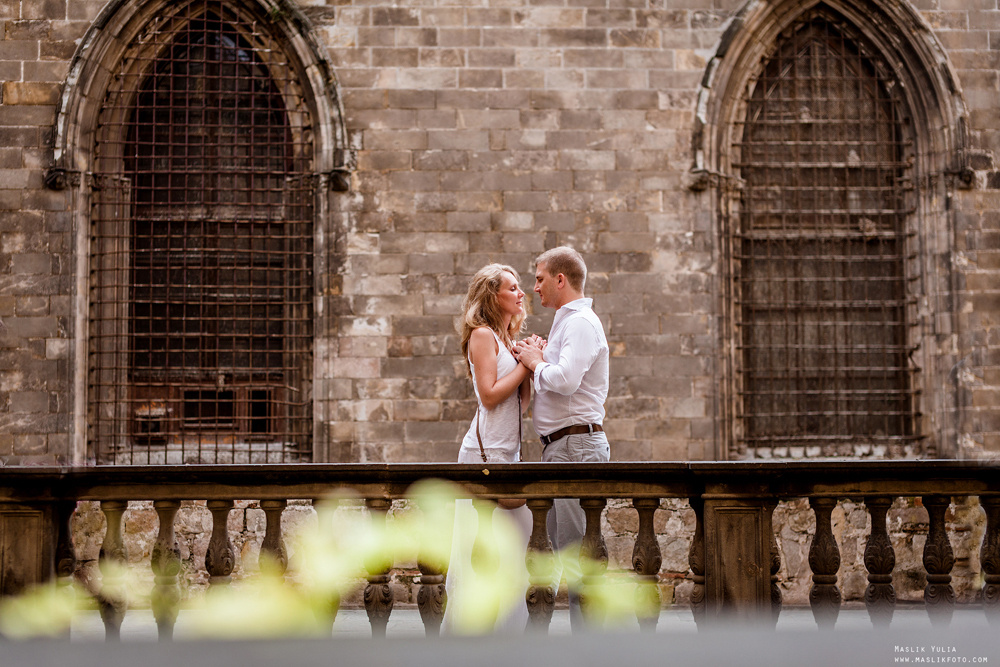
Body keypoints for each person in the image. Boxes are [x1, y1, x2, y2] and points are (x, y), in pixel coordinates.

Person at [513, 246, 610, 632]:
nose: (534, 287)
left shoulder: (581, 323)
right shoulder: (565, 323)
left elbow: (566, 381)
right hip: (561, 447)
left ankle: (587, 648)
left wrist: (536, 362)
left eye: (539, 279)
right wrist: (541, 352)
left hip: (576, 447)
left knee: (575, 553)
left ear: (559, 279)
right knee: (550, 550)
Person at [443, 263, 533, 634]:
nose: (521, 293)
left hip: (507, 453)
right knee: (476, 552)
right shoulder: (483, 336)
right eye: (512, 288)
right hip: (484, 455)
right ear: (493, 296)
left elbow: (519, 405)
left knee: (519, 548)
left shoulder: (505, 337)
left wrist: (532, 359)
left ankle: (505, 634)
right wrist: (525, 369)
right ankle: (472, 634)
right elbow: (491, 396)